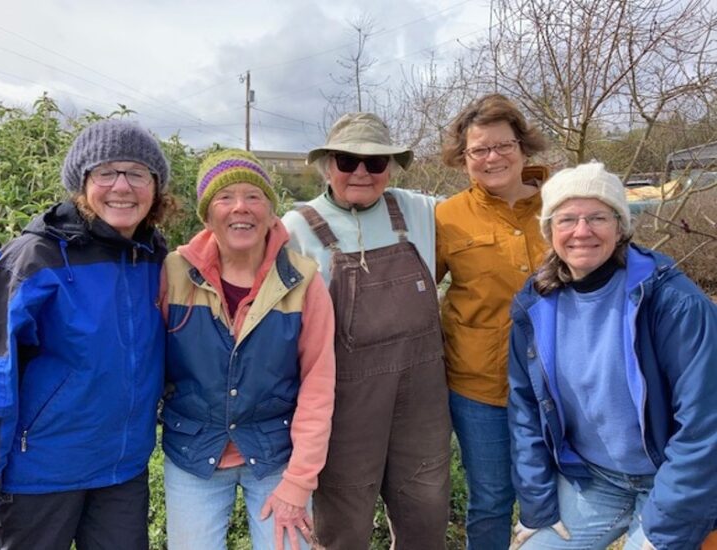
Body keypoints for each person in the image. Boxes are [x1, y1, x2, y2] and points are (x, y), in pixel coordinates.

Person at [0, 119, 173, 549]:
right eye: (106, 172)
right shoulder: (33, 260)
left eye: (137, 173)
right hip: (39, 476)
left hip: (121, 472)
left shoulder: (155, 259)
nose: (122, 186)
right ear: (82, 183)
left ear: (156, 188)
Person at [508, 162, 717, 549]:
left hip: (671, 482)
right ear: (550, 230)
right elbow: (525, 408)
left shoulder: (672, 302)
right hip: (593, 479)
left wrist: (664, 531)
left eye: (598, 217)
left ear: (620, 227)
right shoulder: (534, 303)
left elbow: (706, 424)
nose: (582, 231)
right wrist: (537, 505)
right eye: (567, 219)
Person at [282, 112, 451, 550]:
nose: (361, 172)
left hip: (423, 400)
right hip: (344, 403)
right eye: (346, 160)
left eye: (375, 163)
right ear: (326, 167)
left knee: (425, 511)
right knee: (343, 523)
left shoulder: (419, 209)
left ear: (390, 169)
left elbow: (487, 209)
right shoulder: (296, 227)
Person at [160, 149, 335, 550]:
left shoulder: (303, 281)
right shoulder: (173, 274)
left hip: (276, 455)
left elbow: (318, 385)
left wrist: (299, 481)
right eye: (225, 197)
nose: (241, 207)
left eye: (254, 196)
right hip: (192, 452)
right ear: (207, 214)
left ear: (272, 211)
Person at [435, 93, 550, 549]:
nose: (492, 157)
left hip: (559, 385)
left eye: (502, 145)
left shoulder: (562, 203)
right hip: (479, 386)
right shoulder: (446, 217)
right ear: (464, 159)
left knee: (559, 494)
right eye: (478, 150)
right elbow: (417, 286)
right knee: (491, 498)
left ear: (523, 147)